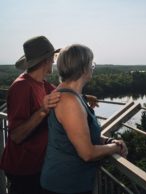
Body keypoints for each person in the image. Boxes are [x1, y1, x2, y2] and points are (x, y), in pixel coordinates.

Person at [40, 44, 128, 194]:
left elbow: (80, 136)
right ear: (82, 68)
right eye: (91, 63)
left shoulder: (73, 96)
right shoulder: (69, 102)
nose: (93, 67)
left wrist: (108, 141)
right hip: (64, 186)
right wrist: (116, 147)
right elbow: (87, 153)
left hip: (66, 184)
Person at [0, 36, 62, 194]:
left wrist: (83, 97)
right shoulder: (21, 87)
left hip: (38, 166)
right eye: (53, 58)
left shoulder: (43, 84)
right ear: (46, 60)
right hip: (23, 169)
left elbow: (63, 94)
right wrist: (42, 111)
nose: (54, 62)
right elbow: (16, 135)